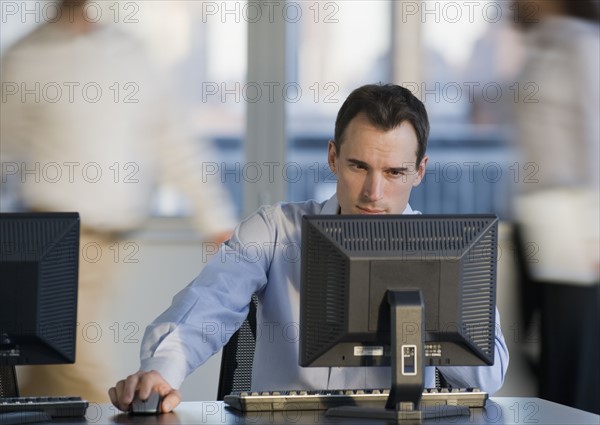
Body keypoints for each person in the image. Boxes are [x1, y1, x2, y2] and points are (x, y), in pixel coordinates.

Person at [109, 84, 510, 413]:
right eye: (359, 167)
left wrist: (430, 308)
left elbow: (490, 375)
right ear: (333, 157)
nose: (374, 193)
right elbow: (207, 305)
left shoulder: (449, 250)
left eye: (394, 172)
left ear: (419, 171)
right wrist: (162, 371)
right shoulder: (275, 230)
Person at [0, 0, 237, 402]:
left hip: (111, 240)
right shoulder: (26, 57)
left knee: (43, 372)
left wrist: (215, 218)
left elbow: (172, 141)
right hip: (53, 239)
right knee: (73, 366)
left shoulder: (130, 53)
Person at [511, 0, 599, 414]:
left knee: (570, 358)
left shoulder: (582, 45)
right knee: (537, 352)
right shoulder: (540, 45)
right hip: (535, 221)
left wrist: (593, 234)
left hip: (571, 225)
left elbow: (595, 135)